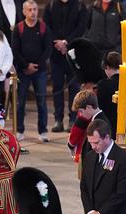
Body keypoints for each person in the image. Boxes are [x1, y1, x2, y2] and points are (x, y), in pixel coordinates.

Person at [43, 0, 88, 133]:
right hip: (56, 54)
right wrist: (58, 43)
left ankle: (73, 118)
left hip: (74, 53)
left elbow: (81, 28)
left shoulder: (80, 6)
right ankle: (58, 119)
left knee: (74, 87)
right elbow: (47, 27)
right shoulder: (50, 6)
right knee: (57, 87)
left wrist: (65, 42)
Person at [11, 0, 52, 143]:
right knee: (20, 102)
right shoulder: (19, 28)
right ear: (24, 12)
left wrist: (36, 65)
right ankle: (20, 130)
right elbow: (15, 50)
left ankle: (43, 131)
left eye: (35, 9)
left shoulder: (43, 28)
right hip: (23, 71)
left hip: (39, 71)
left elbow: (48, 49)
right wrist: (26, 66)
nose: (33, 12)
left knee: (41, 102)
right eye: (30, 9)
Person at [68, 89, 111, 176]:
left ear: (88, 107)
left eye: (81, 111)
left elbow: (100, 152)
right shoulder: (95, 120)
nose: (80, 115)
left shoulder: (98, 124)